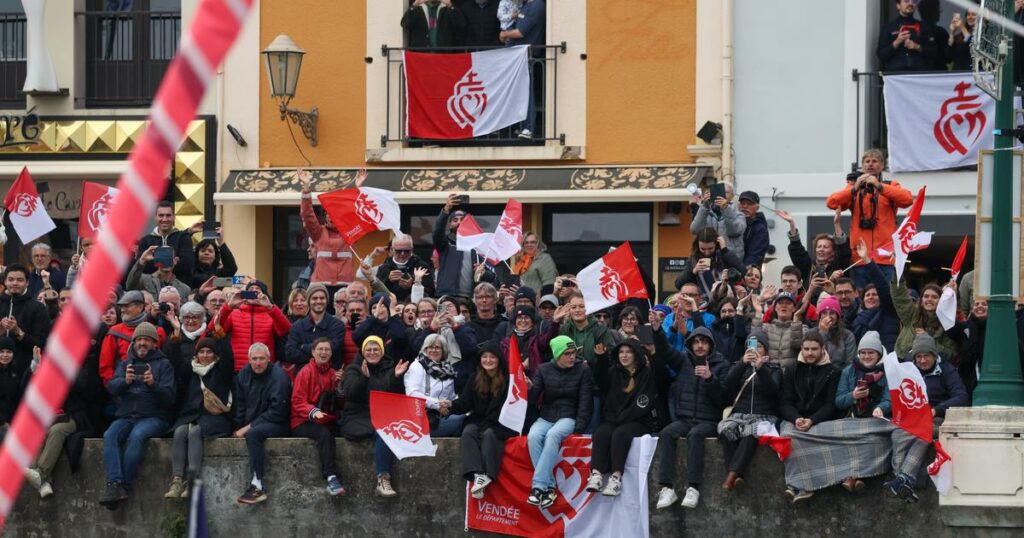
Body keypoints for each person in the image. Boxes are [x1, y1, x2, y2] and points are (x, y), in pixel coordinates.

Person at [98, 322, 176, 509]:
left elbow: (170, 397)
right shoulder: (126, 363)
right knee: (110, 435)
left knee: (137, 436)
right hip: (126, 416)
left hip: (154, 417)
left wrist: (152, 384)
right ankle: (115, 484)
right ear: (133, 342)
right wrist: (125, 381)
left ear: (154, 344)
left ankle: (124, 485)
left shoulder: (164, 364)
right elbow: (112, 388)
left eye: (147, 340)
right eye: (139, 339)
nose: (142, 343)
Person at [652, 326, 727, 510]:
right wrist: (656, 330)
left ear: (710, 345)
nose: (700, 345)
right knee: (667, 433)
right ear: (691, 344)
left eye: (704, 342)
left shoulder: (722, 364)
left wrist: (710, 379)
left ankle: (693, 487)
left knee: (695, 435)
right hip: (685, 418)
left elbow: (724, 399)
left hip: (709, 421)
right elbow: (665, 350)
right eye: (696, 341)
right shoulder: (684, 360)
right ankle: (667, 488)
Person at [23, 339, 104, 499]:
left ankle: (41, 474)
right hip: (51, 416)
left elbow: (82, 387)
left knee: (56, 431)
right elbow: (29, 391)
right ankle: (45, 482)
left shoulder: (81, 367)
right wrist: (36, 367)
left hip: (75, 417)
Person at [826, 149, 914, 287]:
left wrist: (880, 187)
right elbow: (831, 202)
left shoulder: (890, 186)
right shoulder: (854, 188)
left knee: (887, 299)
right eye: (867, 162)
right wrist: (854, 189)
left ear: (882, 165)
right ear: (862, 166)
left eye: (874, 161)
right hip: (860, 259)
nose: (870, 164)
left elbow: (908, 200)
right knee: (863, 298)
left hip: (885, 258)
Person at [337, 336, 410, 497]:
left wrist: (396, 378)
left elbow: (395, 397)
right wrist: (364, 378)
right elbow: (351, 394)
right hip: (357, 416)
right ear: (363, 352)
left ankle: (382, 479)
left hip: (381, 415)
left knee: (384, 430)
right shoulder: (354, 369)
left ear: (382, 351)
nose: (372, 353)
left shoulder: (390, 368)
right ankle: (383, 477)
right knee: (382, 429)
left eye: (376, 349)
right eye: (368, 350)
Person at [585, 339, 659, 497]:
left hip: (638, 420)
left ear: (636, 355)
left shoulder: (646, 374)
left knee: (620, 434)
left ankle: (615, 478)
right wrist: (601, 358)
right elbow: (601, 382)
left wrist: (622, 418)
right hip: (614, 418)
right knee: (601, 433)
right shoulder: (613, 372)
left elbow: (644, 402)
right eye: (621, 352)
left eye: (628, 352)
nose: (624, 355)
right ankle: (597, 474)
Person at [444, 340, 517, 499]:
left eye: (492, 357)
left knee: (490, 434)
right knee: (469, 431)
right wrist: (449, 406)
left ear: (499, 359)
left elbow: (515, 405)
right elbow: (464, 403)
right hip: (480, 420)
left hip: (502, 423)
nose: (488, 360)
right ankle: (477, 474)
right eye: (485, 357)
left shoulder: (509, 379)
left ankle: (488, 474)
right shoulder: (475, 378)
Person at [526, 335, 593, 508]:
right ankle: (549, 488)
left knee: (553, 435)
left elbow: (586, 401)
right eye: (567, 353)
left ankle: (538, 487)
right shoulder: (543, 369)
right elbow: (533, 400)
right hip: (547, 415)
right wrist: (528, 389)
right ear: (557, 355)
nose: (572, 357)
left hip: (569, 416)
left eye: (574, 353)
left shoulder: (583, 370)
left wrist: (579, 427)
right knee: (533, 436)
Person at [163, 337, 233, 499]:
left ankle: (193, 480)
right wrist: (175, 340)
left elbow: (229, 358)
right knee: (180, 432)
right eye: (201, 351)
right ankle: (177, 480)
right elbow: (175, 363)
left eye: (209, 352)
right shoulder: (192, 371)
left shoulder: (221, 371)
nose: (205, 355)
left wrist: (221, 336)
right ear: (196, 355)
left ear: (215, 355)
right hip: (192, 416)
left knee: (194, 433)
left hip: (215, 418)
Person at [779, 331, 842, 502]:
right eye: (806, 349)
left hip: (819, 419)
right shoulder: (792, 370)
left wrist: (812, 420)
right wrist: (796, 418)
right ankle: (798, 485)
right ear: (801, 348)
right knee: (788, 438)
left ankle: (798, 485)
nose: (809, 353)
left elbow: (831, 404)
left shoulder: (833, 371)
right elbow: (785, 402)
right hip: (794, 418)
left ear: (823, 349)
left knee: (812, 438)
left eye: (814, 349)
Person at [718, 329, 781, 491]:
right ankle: (738, 476)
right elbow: (726, 388)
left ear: (766, 349)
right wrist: (741, 364)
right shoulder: (739, 367)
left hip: (764, 415)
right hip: (740, 414)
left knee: (750, 433)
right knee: (725, 429)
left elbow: (774, 392)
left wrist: (761, 368)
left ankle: (731, 476)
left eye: (759, 346)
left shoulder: (774, 368)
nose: (755, 350)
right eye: (751, 346)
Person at [234, 343, 293, 505]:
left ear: (269, 359)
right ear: (249, 360)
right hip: (255, 422)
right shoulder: (244, 374)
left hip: (278, 423)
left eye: (261, 359)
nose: (258, 363)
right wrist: (237, 427)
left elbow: (278, 412)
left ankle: (257, 485)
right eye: (254, 359)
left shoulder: (279, 377)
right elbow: (240, 404)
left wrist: (248, 427)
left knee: (254, 434)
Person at [290, 338, 346, 496]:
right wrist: (313, 411)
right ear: (313, 352)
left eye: (327, 349)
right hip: (302, 421)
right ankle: (331, 476)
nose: (323, 352)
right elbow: (297, 401)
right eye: (320, 349)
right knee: (324, 435)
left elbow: (339, 403)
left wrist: (340, 386)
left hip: (325, 419)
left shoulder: (334, 373)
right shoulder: (305, 371)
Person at [299, 169, 359, 293]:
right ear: (326, 216)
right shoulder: (319, 233)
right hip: (321, 286)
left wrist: (358, 189)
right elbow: (307, 215)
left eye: (335, 213)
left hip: (345, 286)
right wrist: (306, 188)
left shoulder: (349, 233)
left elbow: (356, 212)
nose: (331, 217)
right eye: (328, 213)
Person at [212, 280, 292, 372]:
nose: (254, 292)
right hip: (238, 369)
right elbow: (214, 328)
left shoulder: (271, 313)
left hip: (265, 369)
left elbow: (286, 329)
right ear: (245, 294)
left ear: (264, 295)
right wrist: (228, 306)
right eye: (250, 290)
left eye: (257, 290)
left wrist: (270, 307)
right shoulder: (234, 313)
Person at [99, 290, 168, 387]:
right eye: (121, 306)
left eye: (127, 306)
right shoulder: (114, 332)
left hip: (152, 389)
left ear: (140, 307)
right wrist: (114, 387)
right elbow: (105, 367)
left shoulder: (158, 332)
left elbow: (165, 363)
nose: (122, 310)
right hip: (122, 390)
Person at [500, 0, 545, 139]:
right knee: (519, 91)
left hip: (525, 56)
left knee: (526, 91)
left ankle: (528, 127)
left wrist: (505, 35)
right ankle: (520, 125)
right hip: (517, 56)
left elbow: (521, 32)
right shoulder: (526, 6)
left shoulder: (537, 6)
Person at [907, 333, 969, 433]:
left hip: (938, 417)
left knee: (919, 431)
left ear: (934, 356)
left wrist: (937, 410)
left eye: (926, 356)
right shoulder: (908, 370)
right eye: (919, 356)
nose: (923, 360)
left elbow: (961, 397)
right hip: (913, 416)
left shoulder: (947, 370)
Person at [405, 334, 465, 436]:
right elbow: (412, 394)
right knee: (461, 421)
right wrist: (437, 404)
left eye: (437, 347)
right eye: (430, 347)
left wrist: (451, 405)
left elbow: (451, 396)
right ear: (425, 349)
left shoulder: (448, 369)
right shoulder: (417, 366)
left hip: (441, 415)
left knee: (466, 418)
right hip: (421, 416)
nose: (434, 350)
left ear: (443, 350)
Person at [775, 208, 851, 288]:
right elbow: (797, 251)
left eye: (825, 247)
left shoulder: (837, 267)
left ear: (833, 251)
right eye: (819, 247)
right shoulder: (808, 267)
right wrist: (791, 224)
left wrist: (837, 224)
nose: (821, 249)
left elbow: (843, 253)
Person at [0, 264, 51, 374]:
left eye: (19, 280)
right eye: (11, 279)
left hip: (24, 371)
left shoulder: (38, 308)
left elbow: (41, 344)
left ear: (27, 282)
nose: (14, 283)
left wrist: (18, 332)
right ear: (5, 281)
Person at [892, 278, 959, 359]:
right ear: (921, 302)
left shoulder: (947, 323)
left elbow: (950, 353)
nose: (929, 299)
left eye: (934, 297)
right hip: (903, 362)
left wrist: (929, 341)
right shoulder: (911, 314)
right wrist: (898, 275)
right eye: (926, 296)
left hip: (932, 368)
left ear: (941, 301)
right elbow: (900, 297)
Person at [286, 284, 347, 371]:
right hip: (304, 378)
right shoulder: (297, 326)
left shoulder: (337, 325)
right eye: (314, 298)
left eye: (322, 298)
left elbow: (334, 348)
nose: (318, 301)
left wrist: (303, 347)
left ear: (327, 300)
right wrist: (320, 357)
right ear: (308, 301)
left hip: (330, 379)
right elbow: (290, 353)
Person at [675, 228, 745, 302]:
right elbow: (678, 284)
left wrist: (725, 250)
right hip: (703, 303)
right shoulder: (693, 260)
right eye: (703, 249)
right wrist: (693, 272)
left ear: (716, 244)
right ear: (697, 246)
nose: (707, 252)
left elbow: (742, 271)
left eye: (710, 248)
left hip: (725, 303)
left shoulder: (724, 255)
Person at [136, 200, 197, 285]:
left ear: (174, 217)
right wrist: (173, 260)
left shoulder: (183, 238)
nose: (164, 219)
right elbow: (143, 268)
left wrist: (155, 260)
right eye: (161, 215)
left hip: (179, 288)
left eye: (168, 216)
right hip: (151, 288)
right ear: (155, 217)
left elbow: (187, 266)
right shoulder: (146, 240)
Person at [433, 195, 478, 298]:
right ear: (449, 225)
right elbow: (437, 232)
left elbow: (490, 274)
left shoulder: (476, 246)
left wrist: (482, 272)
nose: (459, 222)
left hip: (470, 299)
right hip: (446, 295)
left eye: (462, 219)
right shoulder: (445, 244)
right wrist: (446, 210)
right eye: (455, 220)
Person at [690, 183, 746, 262]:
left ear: (732, 196)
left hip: (731, 261)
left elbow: (734, 231)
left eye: (725, 192)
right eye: (718, 192)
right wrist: (705, 206)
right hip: (708, 258)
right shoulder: (706, 212)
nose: (721, 195)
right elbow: (695, 230)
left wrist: (726, 209)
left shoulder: (738, 214)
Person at [877, 0, 937, 72]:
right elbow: (881, 55)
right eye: (906, 1)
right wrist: (897, 41)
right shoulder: (888, 27)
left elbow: (934, 53)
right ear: (898, 6)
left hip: (919, 73)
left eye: (914, 1)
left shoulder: (924, 27)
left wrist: (917, 47)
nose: (911, 3)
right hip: (896, 75)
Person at [750, 291, 805, 370]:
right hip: (768, 375)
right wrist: (758, 312)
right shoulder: (766, 328)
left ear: (794, 308)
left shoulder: (801, 328)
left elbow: (797, 345)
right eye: (780, 303)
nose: (784, 305)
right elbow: (752, 344)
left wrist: (796, 320)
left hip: (790, 376)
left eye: (788, 303)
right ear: (775, 308)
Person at [376, 233, 435, 302]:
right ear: (392, 249)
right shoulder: (384, 268)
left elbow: (431, 293)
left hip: (414, 308)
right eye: (399, 251)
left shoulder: (421, 266)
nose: (402, 253)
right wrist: (388, 281)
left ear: (412, 250)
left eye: (406, 251)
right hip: (391, 308)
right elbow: (376, 294)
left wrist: (413, 285)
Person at [661, 286, 716, 353]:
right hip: (674, 362)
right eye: (685, 295)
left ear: (700, 299)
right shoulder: (669, 318)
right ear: (680, 298)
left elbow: (706, 342)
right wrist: (673, 328)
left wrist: (687, 334)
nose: (688, 299)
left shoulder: (710, 318)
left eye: (692, 295)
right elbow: (663, 345)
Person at [126, 245, 192, 300]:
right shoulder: (144, 280)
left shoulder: (185, 289)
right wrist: (142, 260)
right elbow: (130, 286)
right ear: (156, 259)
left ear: (175, 260)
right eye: (162, 258)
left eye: (168, 258)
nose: (165, 262)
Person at [402, 0, 466, 49]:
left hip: (443, 56)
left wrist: (450, 5)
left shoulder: (446, 8)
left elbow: (461, 25)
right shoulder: (417, 9)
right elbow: (405, 24)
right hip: (422, 56)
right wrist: (414, 5)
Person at [816, 297, 857, 369]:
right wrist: (823, 333)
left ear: (837, 317)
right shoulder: (812, 333)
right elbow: (815, 357)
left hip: (839, 375)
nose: (828, 317)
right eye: (824, 313)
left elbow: (850, 363)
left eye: (832, 313)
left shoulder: (847, 335)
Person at [0, 336, 24, 444]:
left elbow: (18, 398)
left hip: (11, 422)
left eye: (8, 352)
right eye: (2, 351)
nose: (5, 355)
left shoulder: (14, 374)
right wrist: (3, 423)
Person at [737, 191, 769, 267]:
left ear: (757, 207)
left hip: (747, 273)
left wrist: (742, 272)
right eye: (742, 203)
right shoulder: (732, 223)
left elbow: (755, 255)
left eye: (749, 204)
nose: (745, 206)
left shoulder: (760, 229)